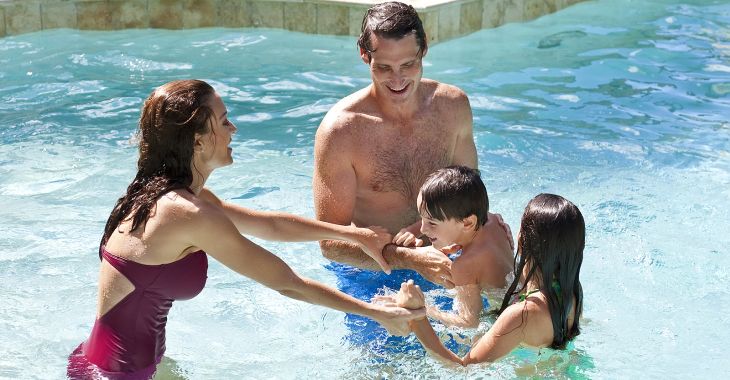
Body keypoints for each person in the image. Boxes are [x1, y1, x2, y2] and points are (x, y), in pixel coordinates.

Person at [66, 79, 424, 379]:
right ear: (198, 140)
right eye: (224, 121)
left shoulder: (165, 193)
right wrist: (378, 313)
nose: (233, 128)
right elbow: (288, 283)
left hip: (100, 363)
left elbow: (266, 223)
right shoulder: (186, 213)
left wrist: (352, 234)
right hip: (121, 374)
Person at [312, 1, 478, 289]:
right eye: (385, 67)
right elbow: (330, 243)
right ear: (365, 56)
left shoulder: (453, 108)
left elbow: (470, 197)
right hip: (373, 269)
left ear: (424, 48)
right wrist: (408, 259)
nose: (398, 79)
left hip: (447, 253)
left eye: (409, 64)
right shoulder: (341, 132)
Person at [382, 193, 584, 365]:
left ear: (523, 240)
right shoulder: (571, 290)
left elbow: (462, 368)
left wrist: (419, 314)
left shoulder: (521, 315)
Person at [391, 166, 513, 328]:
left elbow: (469, 323)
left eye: (432, 224)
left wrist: (424, 309)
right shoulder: (493, 220)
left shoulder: (464, 265)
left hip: (503, 315)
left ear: (468, 223)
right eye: (422, 219)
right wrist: (410, 231)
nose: (422, 229)